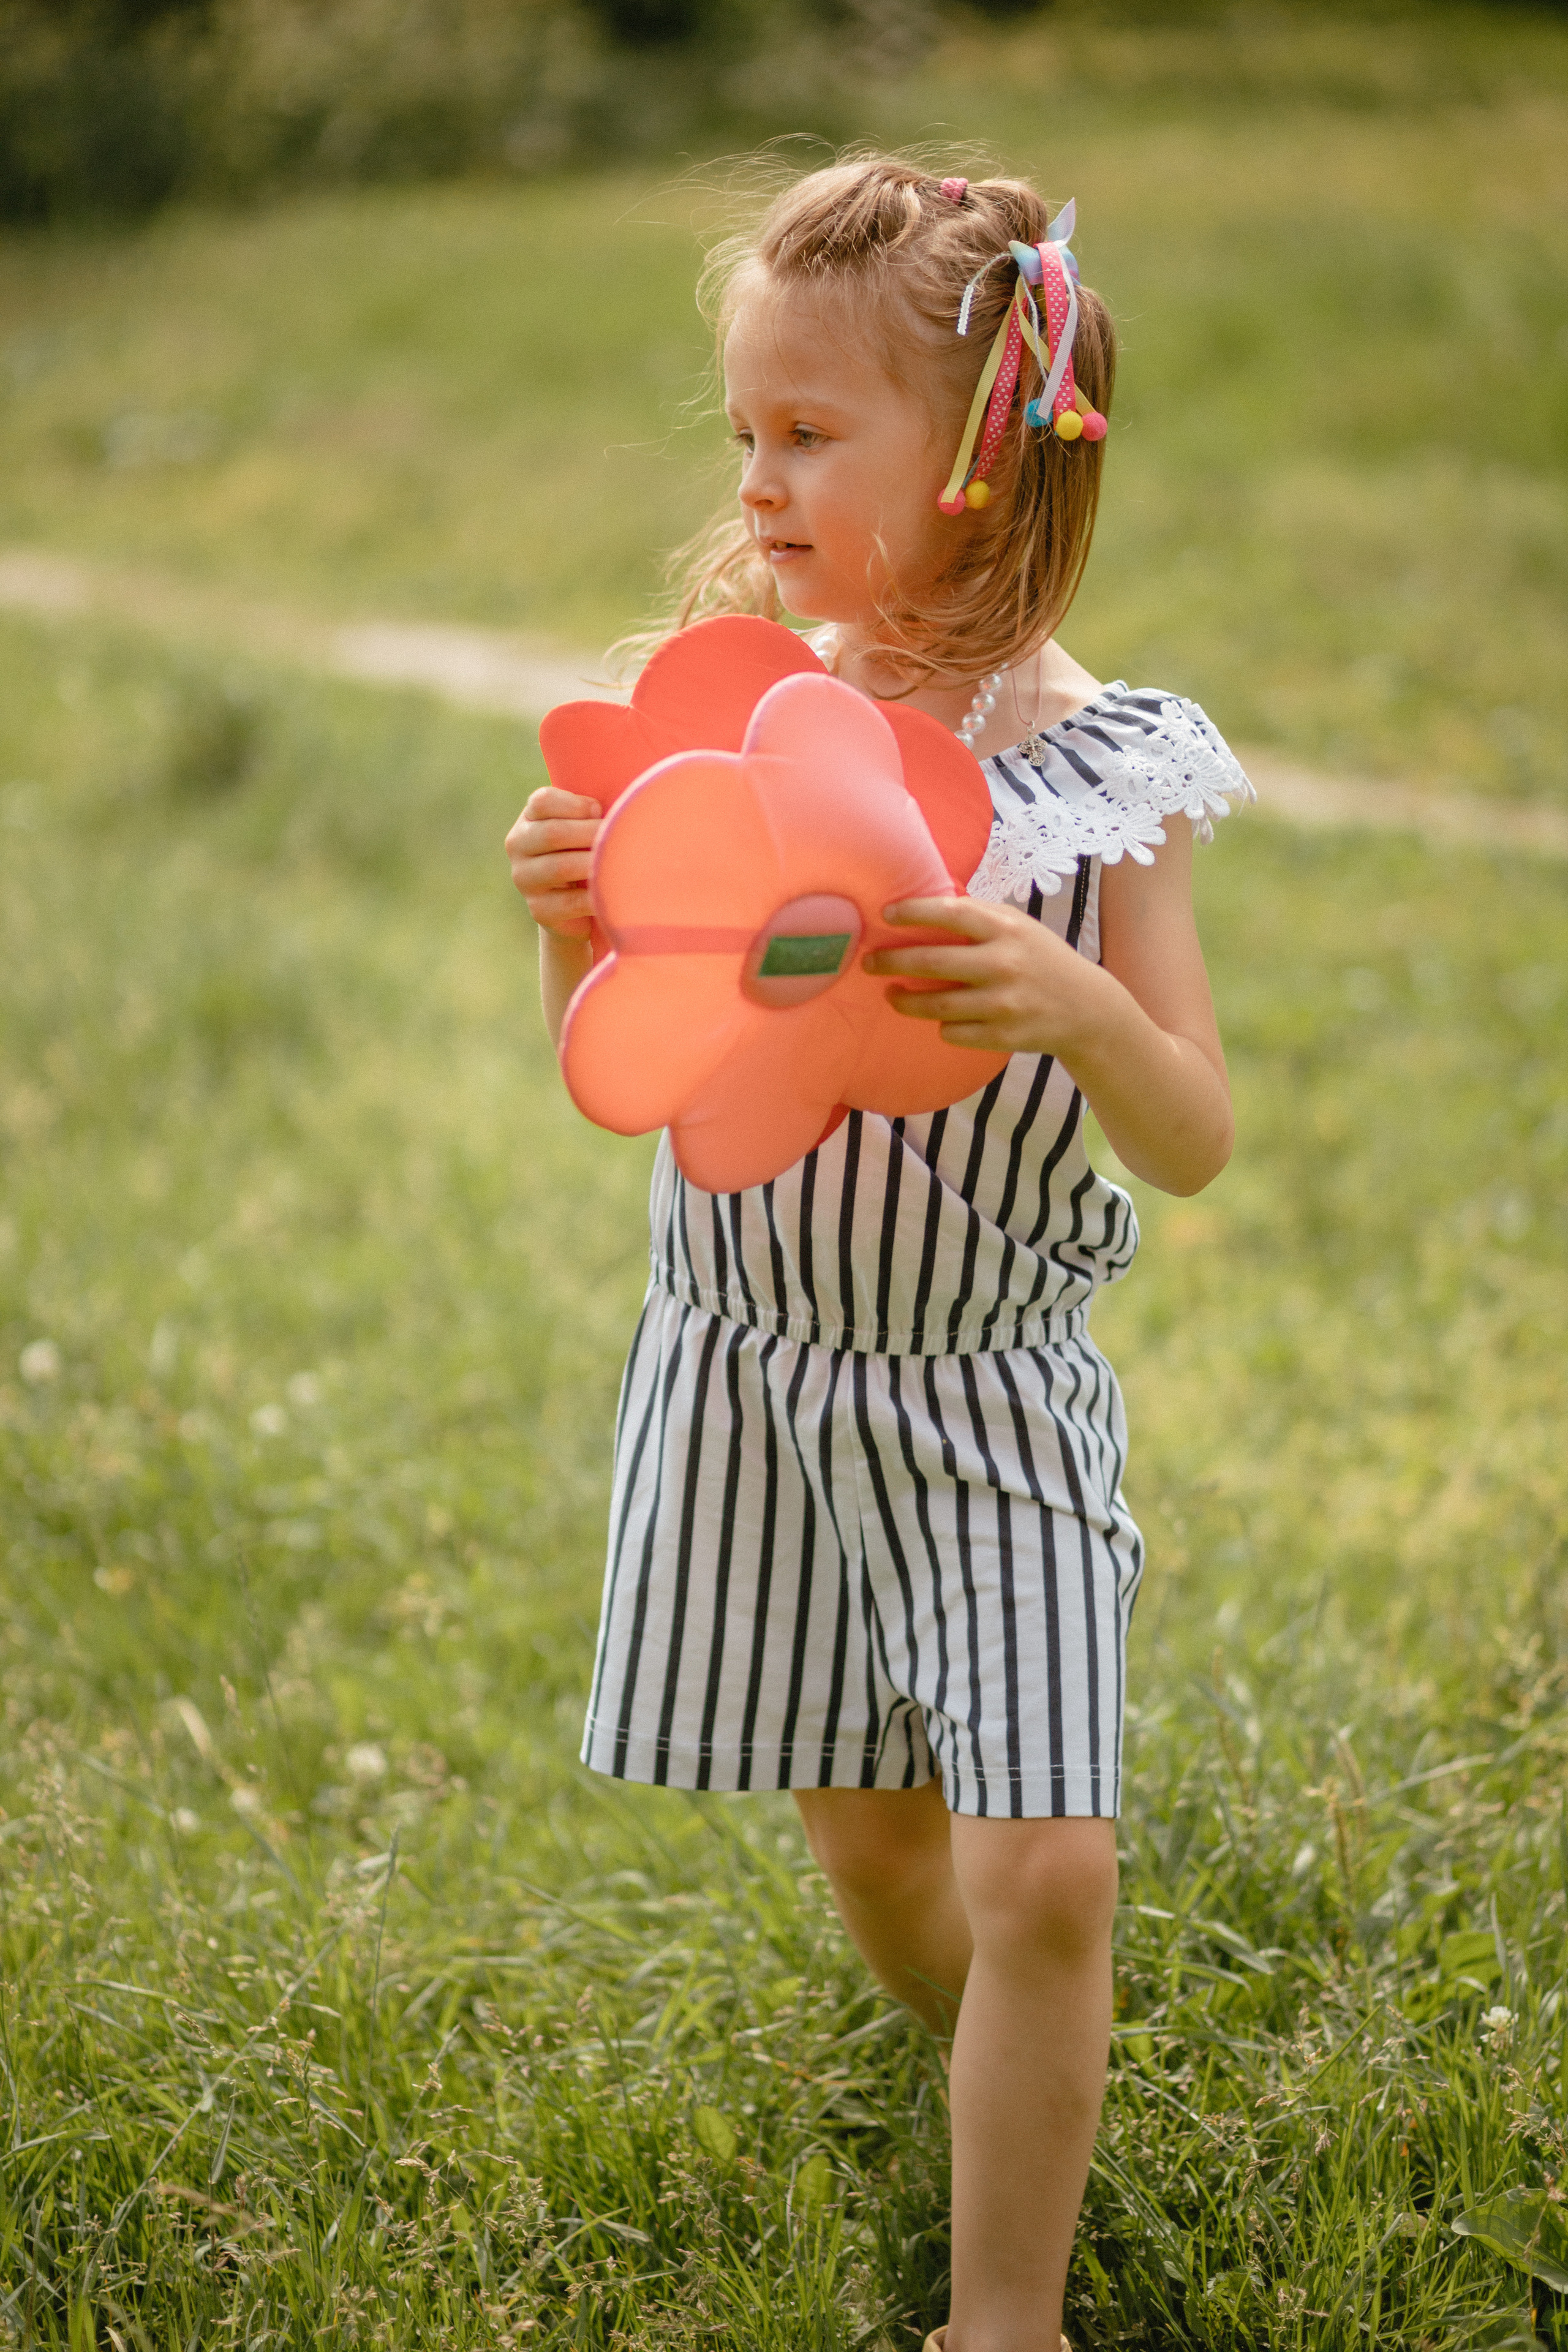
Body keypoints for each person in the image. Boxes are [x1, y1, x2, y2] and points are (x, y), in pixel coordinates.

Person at [506, 154, 1251, 2352]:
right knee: (879, 1847)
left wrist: (1081, 1005)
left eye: (811, 434)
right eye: (746, 431)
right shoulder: (720, 732)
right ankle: (1006, 2052)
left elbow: (1193, 1136)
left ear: (982, 457)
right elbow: (630, 1062)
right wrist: (562, 926)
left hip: (989, 1398)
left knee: (1045, 1868)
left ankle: (1003, 2316)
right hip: (755, 1382)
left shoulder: (1108, 782)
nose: (757, 481)